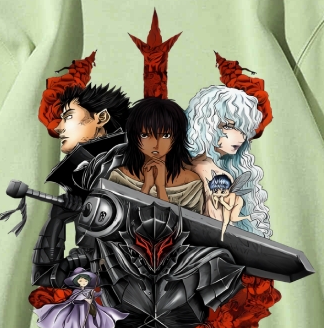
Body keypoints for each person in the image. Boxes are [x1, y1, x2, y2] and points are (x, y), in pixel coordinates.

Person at [77, 96, 206, 212]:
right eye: (145, 135)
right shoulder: (119, 177)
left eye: (165, 135)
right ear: (134, 136)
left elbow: (192, 227)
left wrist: (161, 188)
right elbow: (116, 219)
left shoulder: (190, 183)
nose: (156, 144)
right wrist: (146, 187)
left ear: (177, 137)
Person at [185, 85, 272, 237]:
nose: (241, 137)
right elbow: (219, 228)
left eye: (244, 129)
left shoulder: (220, 169)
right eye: (228, 126)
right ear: (206, 125)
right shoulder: (206, 170)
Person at [31, 267, 130, 328]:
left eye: (85, 281)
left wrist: (98, 293)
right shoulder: (76, 291)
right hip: (76, 313)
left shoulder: (89, 291)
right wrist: (86, 299)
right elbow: (74, 300)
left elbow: (96, 294)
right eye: (81, 280)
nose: (83, 282)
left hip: (87, 313)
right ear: (77, 282)